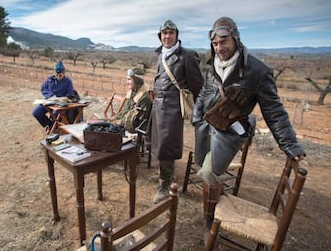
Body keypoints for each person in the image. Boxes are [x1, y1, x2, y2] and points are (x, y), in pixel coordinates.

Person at [191, 16, 306, 244]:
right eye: (215, 44)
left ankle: (209, 220)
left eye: (223, 42)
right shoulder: (210, 65)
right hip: (206, 126)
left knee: (209, 172)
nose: (219, 48)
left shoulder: (257, 71)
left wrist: (290, 144)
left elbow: (274, 111)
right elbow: (205, 92)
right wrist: (196, 116)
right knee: (204, 167)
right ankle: (210, 209)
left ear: (236, 38)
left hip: (230, 132)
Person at [148, 20, 204, 203]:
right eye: (164, 33)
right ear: (160, 36)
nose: (167, 36)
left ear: (177, 35)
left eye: (171, 33)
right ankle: (161, 175)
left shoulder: (187, 56)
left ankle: (166, 185)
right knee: (157, 143)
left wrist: (199, 109)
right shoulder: (161, 54)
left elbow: (198, 85)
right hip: (158, 106)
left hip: (172, 110)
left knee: (167, 146)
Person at [32, 61, 75, 132]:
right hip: (49, 101)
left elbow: (70, 94)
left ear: (64, 73)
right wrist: (50, 96)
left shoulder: (68, 81)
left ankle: (55, 127)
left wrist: (64, 98)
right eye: (56, 75)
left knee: (55, 113)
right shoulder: (50, 79)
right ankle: (50, 125)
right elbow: (43, 89)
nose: (58, 77)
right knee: (36, 112)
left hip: (61, 104)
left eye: (60, 75)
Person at [111, 67, 152, 133]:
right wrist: (115, 118)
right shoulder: (132, 93)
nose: (127, 82)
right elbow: (125, 111)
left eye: (129, 79)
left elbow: (136, 121)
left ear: (137, 80)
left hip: (135, 131)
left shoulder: (145, 98)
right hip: (126, 127)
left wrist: (118, 122)